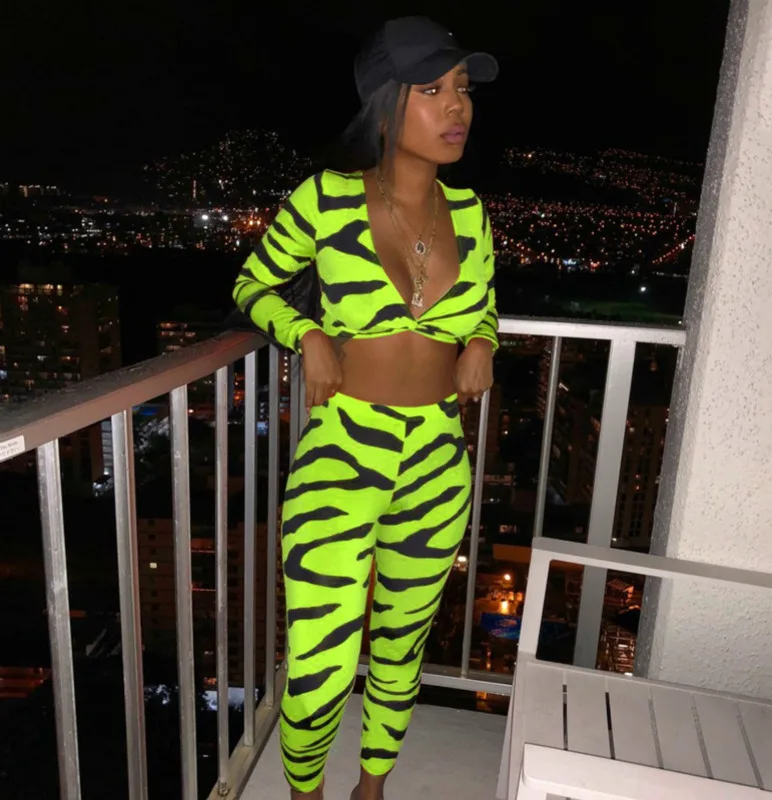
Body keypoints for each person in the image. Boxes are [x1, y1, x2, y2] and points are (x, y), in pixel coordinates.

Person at [232, 16, 499, 800]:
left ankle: (372, 787)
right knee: (319, 661)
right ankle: (305, 792)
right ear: (386, 104)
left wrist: (482, 341)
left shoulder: (471, 213)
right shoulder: (324, 199)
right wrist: (307, 332)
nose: (457, 106)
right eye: (433, 89)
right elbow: (252, 284)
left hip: (437, 455)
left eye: (463, 89)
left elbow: (484, 310)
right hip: (344, 446)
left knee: (401, 647)